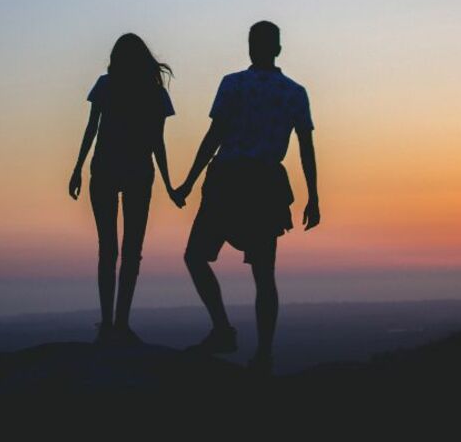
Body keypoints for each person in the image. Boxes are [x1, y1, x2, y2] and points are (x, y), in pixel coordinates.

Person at [174, 21, 320, 374]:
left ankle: (223, 330)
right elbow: (306, 149)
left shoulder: (233, 84)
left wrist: (189, 182)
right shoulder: (294, 92)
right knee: (264, 274)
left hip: (228, 179)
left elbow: (214, 136)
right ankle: (264, 355)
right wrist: (314, 197)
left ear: (251, 47)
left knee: (196, 256)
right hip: (265, 184)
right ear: (279, 50)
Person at [69, 33, 183, 345]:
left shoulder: (106, 85)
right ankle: (119, 323)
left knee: (108, 249)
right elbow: (157, 143)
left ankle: (109, 324)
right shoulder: (155, 94)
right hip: (137, 173)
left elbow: (92, 128)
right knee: (131, 252)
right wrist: (170, 185)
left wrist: (78, 168)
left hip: (105, 169)